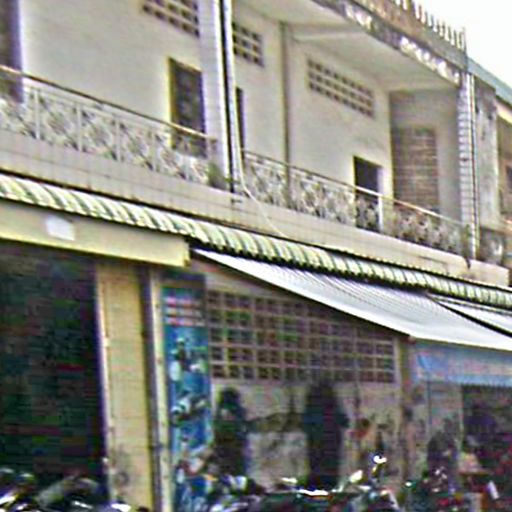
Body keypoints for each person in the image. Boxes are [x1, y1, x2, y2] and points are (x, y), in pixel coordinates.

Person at [302, 379, 350, 490]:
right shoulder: (332, 407)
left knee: (318, 460)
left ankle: (321, 481)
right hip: (329, 443)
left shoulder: (313, 404)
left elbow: (306, 423)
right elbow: (344, 422)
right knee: (328, 461)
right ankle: (326, 482)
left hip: (319, 443)